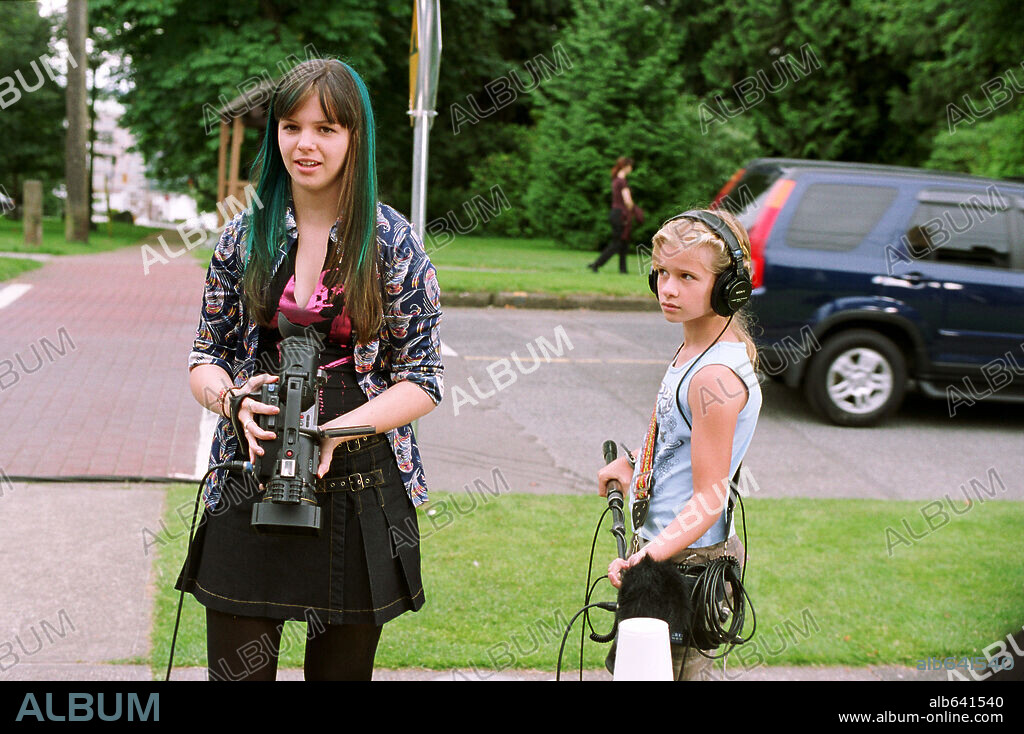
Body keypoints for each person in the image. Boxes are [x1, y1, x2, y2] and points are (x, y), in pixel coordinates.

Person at [177, 58, 444, 681]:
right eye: (291, 126)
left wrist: (336, 431)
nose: (305, 144)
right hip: (249, 476)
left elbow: (424, 379)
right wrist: (231, 401)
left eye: (326, 128)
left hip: (359, 484)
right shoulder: (242, 238)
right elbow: (205, 358)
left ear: (355, 137)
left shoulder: (393, 242)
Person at [596, 207, 761, 680]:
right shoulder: (696, 348)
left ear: (729, 288)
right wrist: (634, 464)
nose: (668, 288)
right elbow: (680, 438)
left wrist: (649, 557)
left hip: (686, 560)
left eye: (687, 276)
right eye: (662, 272)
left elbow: (710, 496)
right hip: (667, 548)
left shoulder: (714, 375)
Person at [589, 156, 643, 273]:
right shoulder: (622, 182)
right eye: (630, 166)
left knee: (624, 242)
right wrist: (634, 210)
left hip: (616, 213)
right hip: (621, 215)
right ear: (625, 167)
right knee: (617, 243)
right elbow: (628, 201)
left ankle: (623, 270)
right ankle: (596, 264)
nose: (631, 169)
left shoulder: (615, 180)